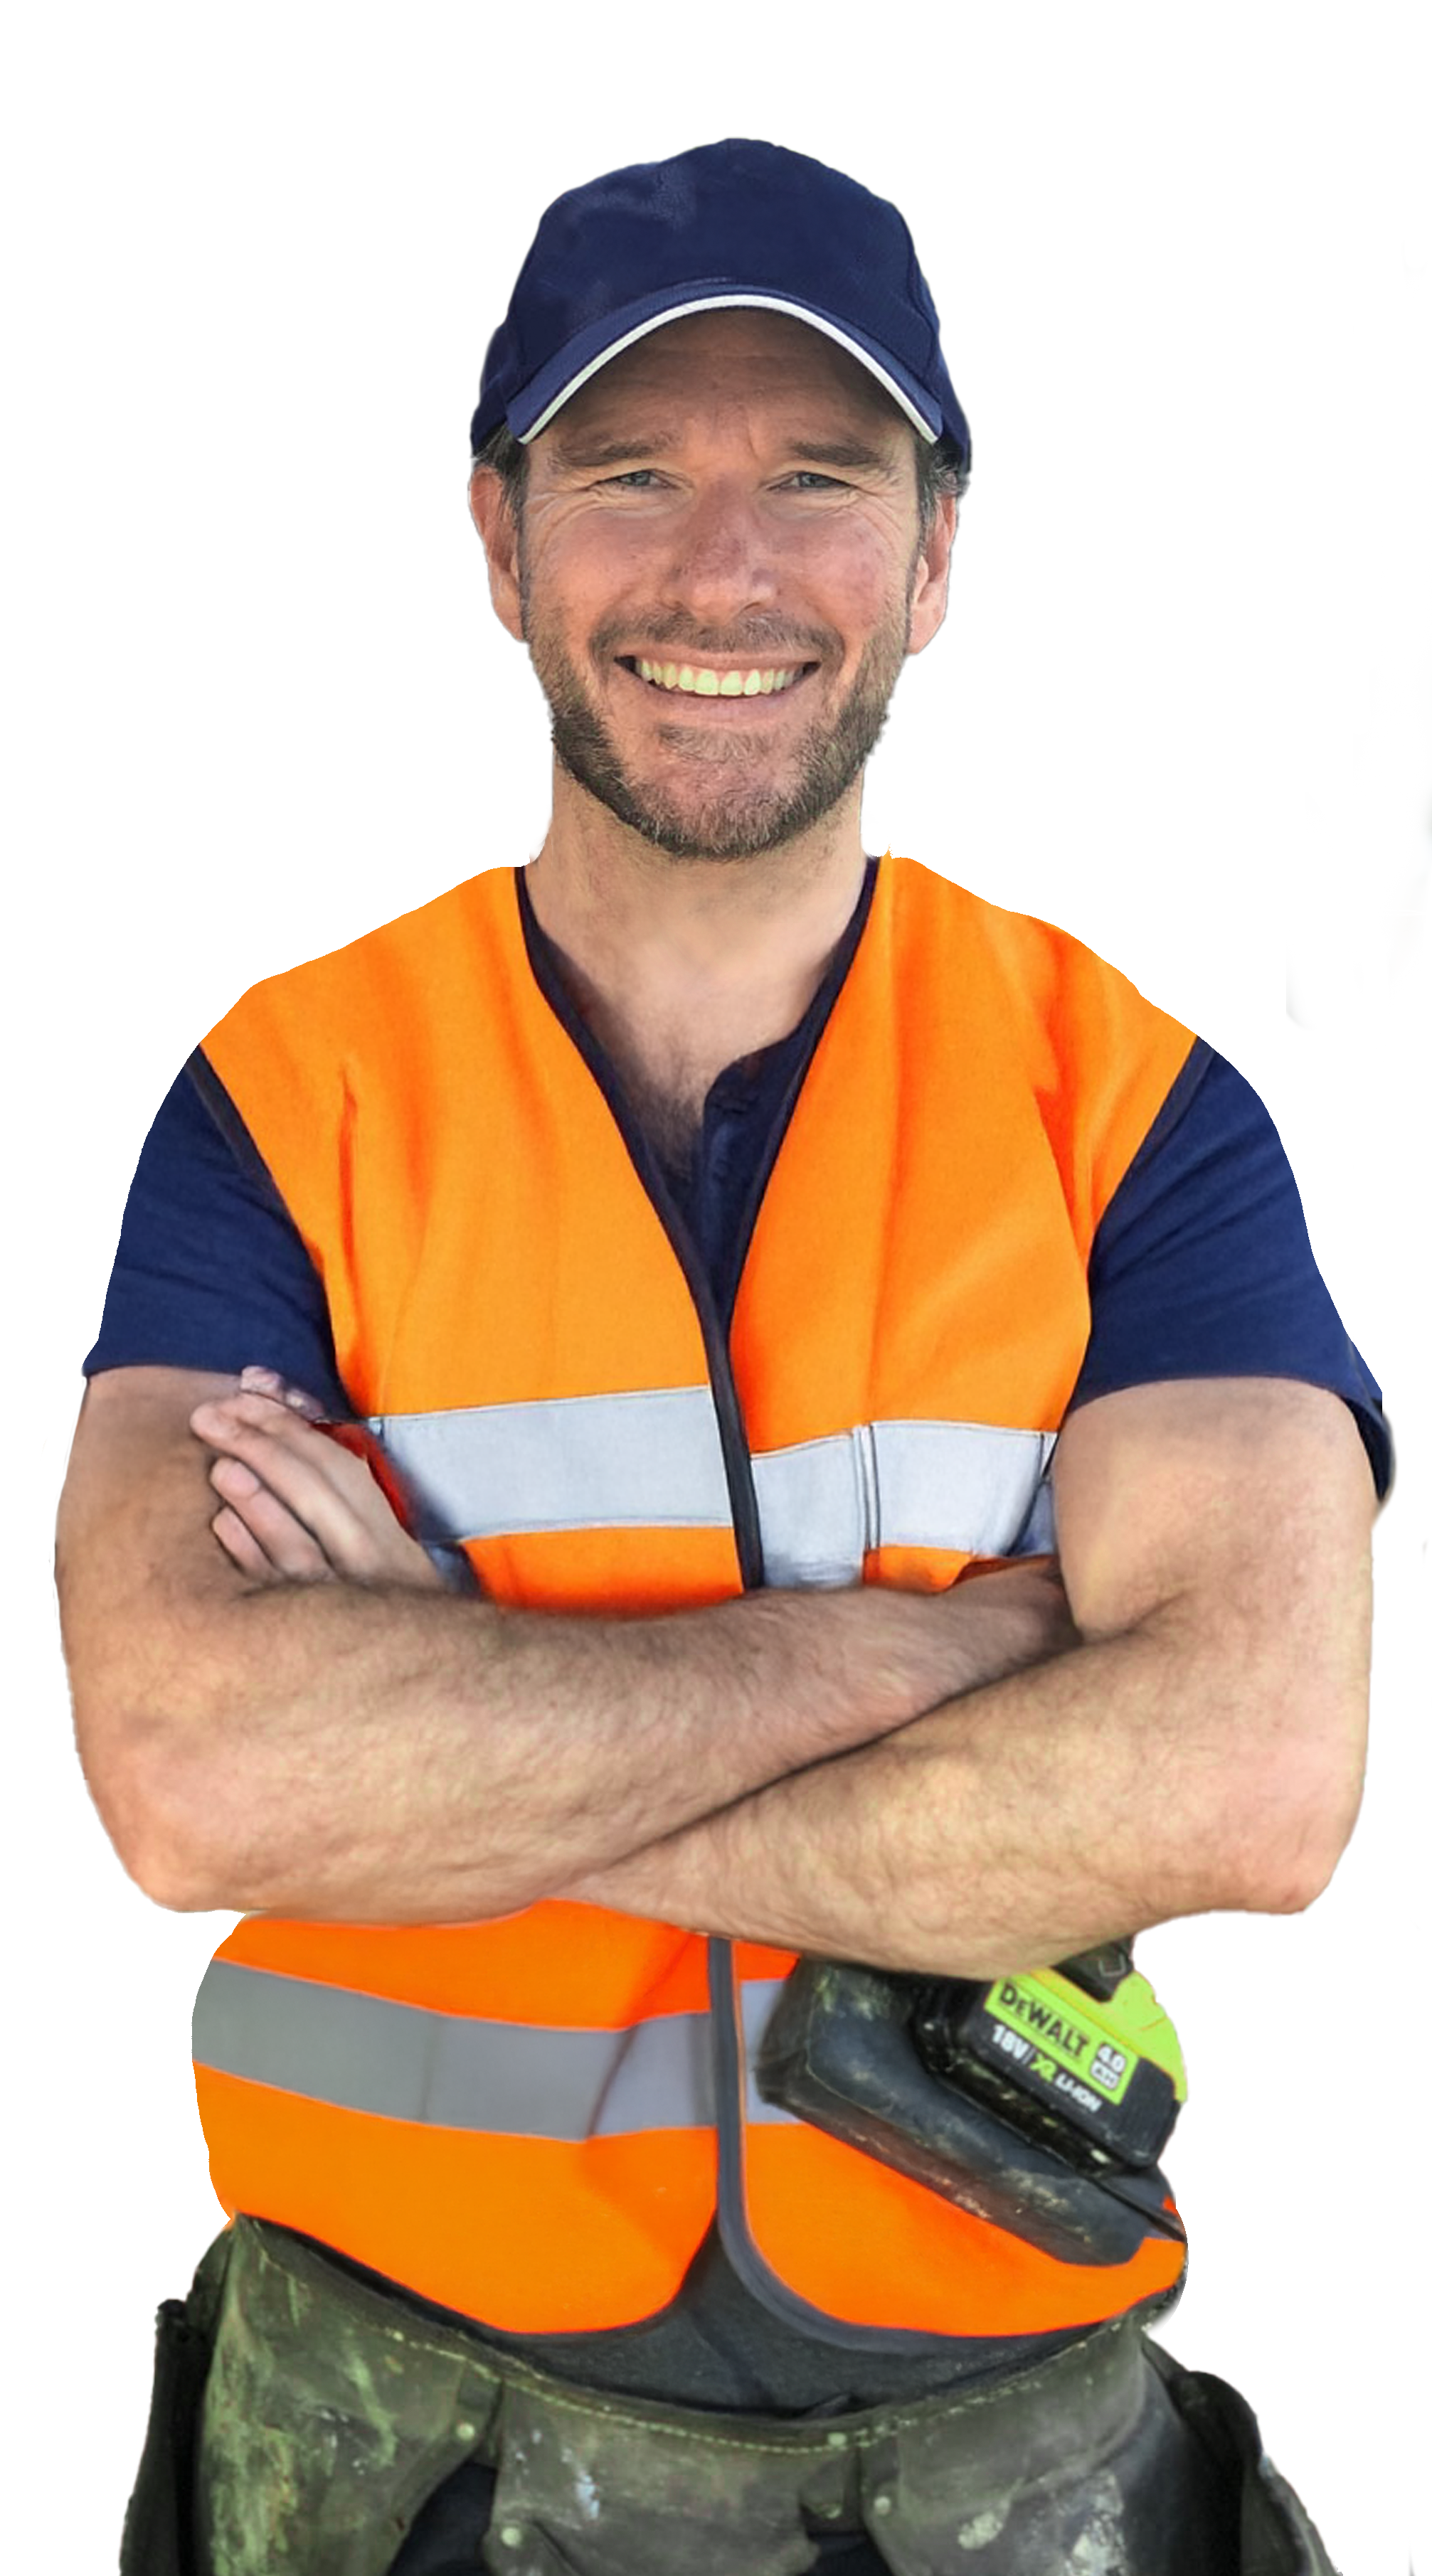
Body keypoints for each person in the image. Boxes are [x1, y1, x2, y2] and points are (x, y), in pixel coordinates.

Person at [55, 140, 1392, 2576]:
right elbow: (187, 1774)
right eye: (630, 476)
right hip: (383, 2466)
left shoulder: (1140, 1106)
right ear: (498, 541)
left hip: (1011, 2468)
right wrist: (953, 1659)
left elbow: (1247, 1783)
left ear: (933, 553)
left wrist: (444, 1718)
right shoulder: (281, 1095)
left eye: (816, 480)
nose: (723, 572)